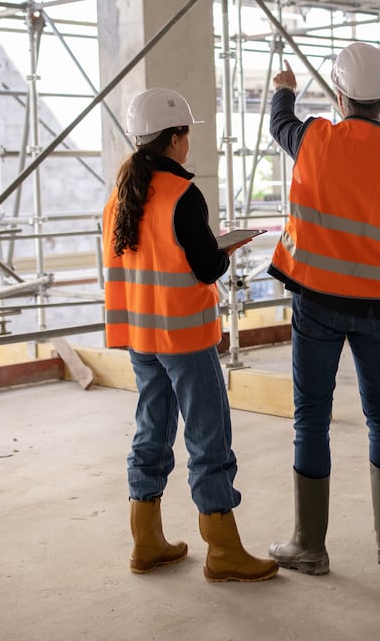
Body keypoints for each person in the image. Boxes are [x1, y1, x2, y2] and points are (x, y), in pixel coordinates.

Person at [265, 42, 380, 574]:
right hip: (378, 309)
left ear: (340, 95)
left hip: (315, 303)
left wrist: (284, 86)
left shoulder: (313, 137)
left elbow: (279, 121)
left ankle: (310, 547)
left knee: (311, 421)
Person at [103, 87, 277, 583]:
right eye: (187, 133)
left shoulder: (120, 195)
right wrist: (226, 250)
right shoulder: (183, 194)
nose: (188, 142)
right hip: (183, 335)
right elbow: (205, 267)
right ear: (175, 137)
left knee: (150, 432)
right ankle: (222, 549)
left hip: (140, 335)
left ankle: (147, 540)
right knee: (209, 440)